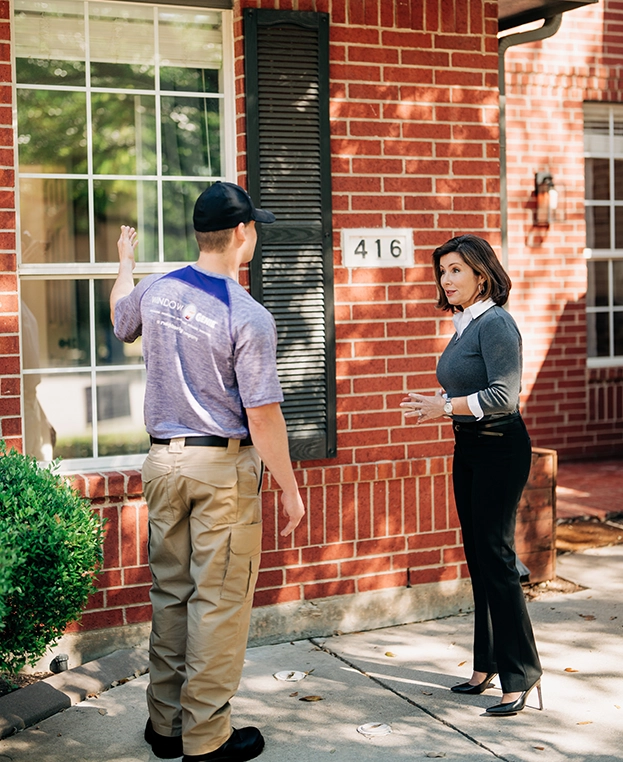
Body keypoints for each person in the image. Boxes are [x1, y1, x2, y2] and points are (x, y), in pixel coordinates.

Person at [110, 181, 305, 761]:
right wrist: (291, 492)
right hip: (220, 469)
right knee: (218, 602)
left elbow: (122, 319)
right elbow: (264, 416)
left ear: (201, 235)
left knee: (171, 593)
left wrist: (125, 264)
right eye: (254, 229)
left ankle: (165, 728)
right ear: (242, 233)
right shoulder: (246, 313)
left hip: (162, 462)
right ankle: (206, 739)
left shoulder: (157, 290)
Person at [401, 234, 543, 717]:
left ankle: (521, 673)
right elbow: (467, 390)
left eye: (456, 269)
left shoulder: (496, 323)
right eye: (443, 271)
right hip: (470, 447)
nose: (447, 278)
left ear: (482, 274)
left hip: (502, 448)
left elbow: (504, 396)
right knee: (477, 557)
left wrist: (442, 406)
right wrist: (441, 407)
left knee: (497, 559)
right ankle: (485, 665)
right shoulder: (465, 325)